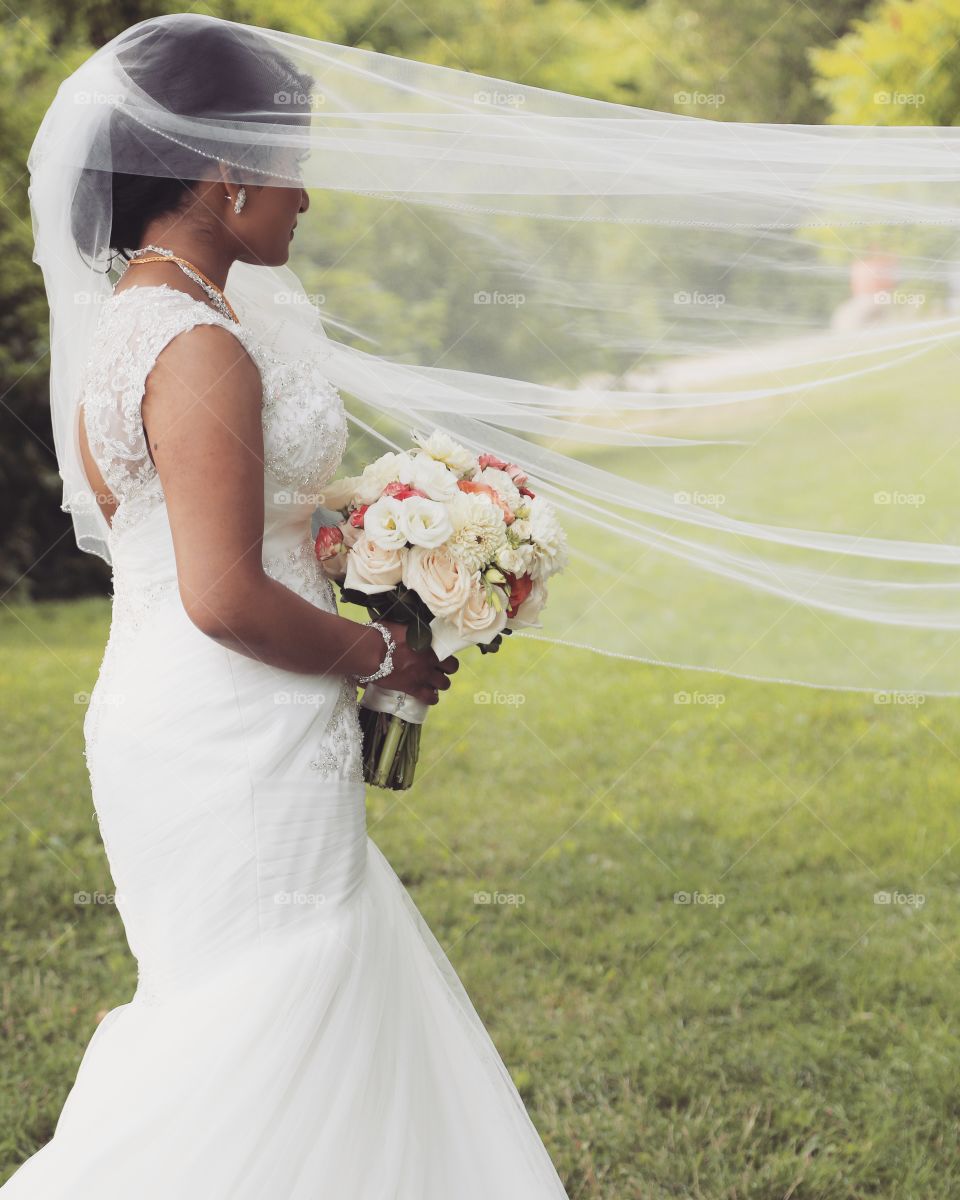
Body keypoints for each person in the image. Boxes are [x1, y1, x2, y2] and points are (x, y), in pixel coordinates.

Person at [5, 16, 570, 1199]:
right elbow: (220, 595)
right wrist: (385, 656)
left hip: (168, 711)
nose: (304, 197)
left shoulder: (128, 328)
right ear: (223, 173)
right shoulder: (203, 346)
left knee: (244, 1004)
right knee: (259, 1019)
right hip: (235, 726)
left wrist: (357, 555)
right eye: (290, 161)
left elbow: (174, 550)